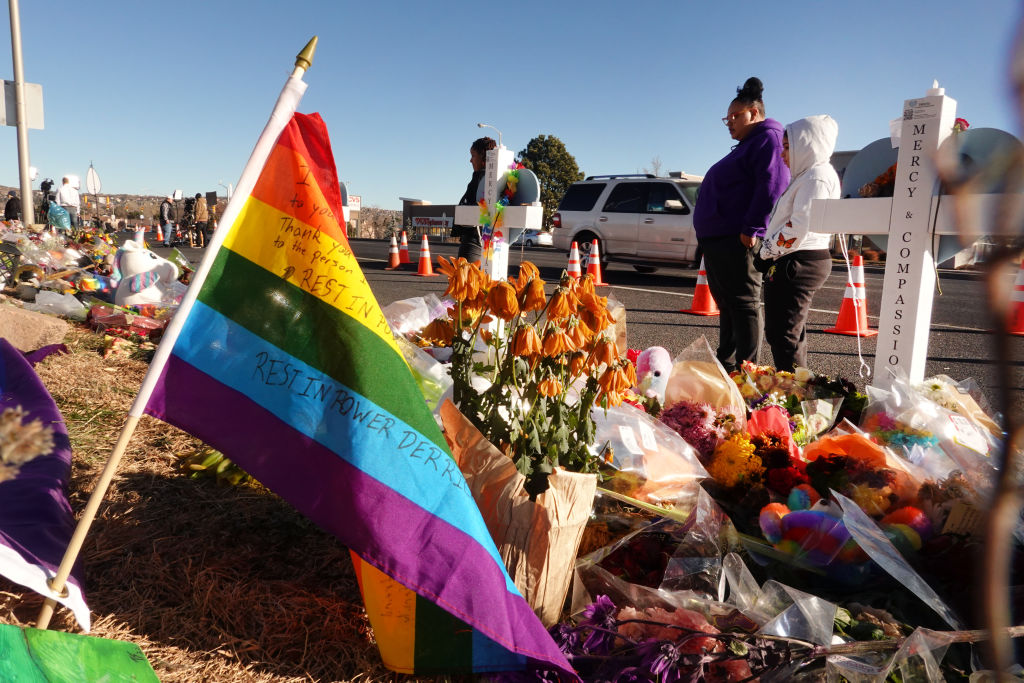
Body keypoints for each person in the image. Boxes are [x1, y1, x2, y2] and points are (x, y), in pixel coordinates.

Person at [692, 77, 790, 372]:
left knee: (744, 304)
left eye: (736, 116)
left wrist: (753, 228)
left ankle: (747, 370)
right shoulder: (749, 144)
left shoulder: (768, 139)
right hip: (719, 239)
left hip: (738, 239)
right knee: (729, 305)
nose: (730, 123)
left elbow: (773, 183)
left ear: (755, 113)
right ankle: (728, 362)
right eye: (727, 118)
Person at [758, 115, 840, 372]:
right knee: (789, 333)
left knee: (784, 335)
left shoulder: (815, 177)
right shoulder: (810, 175)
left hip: (798, 260)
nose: (782, 153)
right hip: (797, 257)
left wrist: (765, 252)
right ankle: (795, 388)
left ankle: (793, 395)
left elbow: (798, 228)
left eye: (787, 146)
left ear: (808, 144)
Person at [454, 136, 496, 264]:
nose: (470, 160)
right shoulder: (497, 179)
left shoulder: (480, 179)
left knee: (464, 280)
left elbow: (471, 205)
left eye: (473, 155)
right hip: (489, 241)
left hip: (473, 240)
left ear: (483, 157)